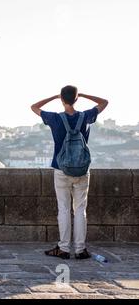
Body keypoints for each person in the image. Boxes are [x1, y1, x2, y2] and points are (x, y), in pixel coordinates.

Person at [31, 86, 109, 259]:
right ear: (75, 99)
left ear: (62, 99)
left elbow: (34, 107)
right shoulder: (85, 116)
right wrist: (83, 95)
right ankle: (81, 249)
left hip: (61, 169)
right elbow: (104, 102)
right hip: (81, 169)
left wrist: (53, 97)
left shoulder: (55, 119)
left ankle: (64, 248)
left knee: (64, 209)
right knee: (80, 210)